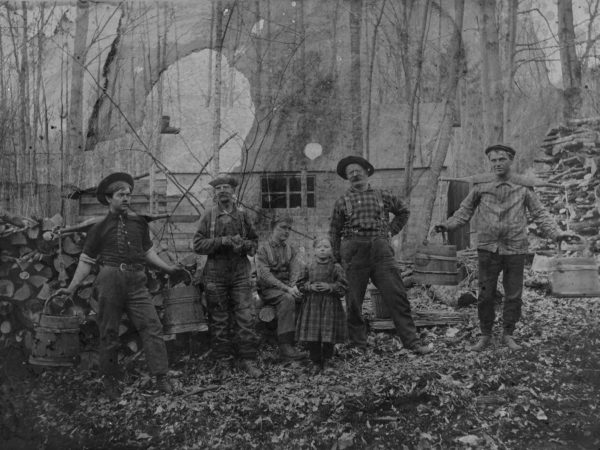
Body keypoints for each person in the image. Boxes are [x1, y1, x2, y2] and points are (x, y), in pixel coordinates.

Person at [52, 172, 181, 397]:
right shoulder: (99, 226)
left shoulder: (139, 223)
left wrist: (168, 269)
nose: (126, 198)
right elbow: (85, 261)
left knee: (152, 326)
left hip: (137, 282)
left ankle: (161, 377)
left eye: (128, 195)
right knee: (108, 331)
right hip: (109, 280)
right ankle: (110, 381)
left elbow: (148, 252)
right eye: (121, 195)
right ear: (109, 199)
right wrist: (72, 287)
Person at [434, 144, 573, 351]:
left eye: (502, 160)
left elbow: (540, 213)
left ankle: (508, 333)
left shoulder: (523, 187)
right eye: (493, 160)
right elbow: (464, 211)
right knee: (485, 295)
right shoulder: (481, 186)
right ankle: (485, 335)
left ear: (510, 161)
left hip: (515, 249)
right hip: (488, 250)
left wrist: (557, 233)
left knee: (514, 295)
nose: (497, 164)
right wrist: (447, 224)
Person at [330, 155, 431, 355]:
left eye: (358, 170)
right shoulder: (342, 201)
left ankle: (412, 342)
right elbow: (334, 231)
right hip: (353, 254)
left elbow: (403, 211)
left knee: (397, 296)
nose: (354, 174)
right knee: (353, 302)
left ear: (367, 171)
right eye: (350, 172)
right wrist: (336, 260)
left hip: (381, 253)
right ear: (347, 178)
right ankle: (359, 345)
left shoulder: (382, 195)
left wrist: (390, 231)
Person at [193, 175, 262, 378]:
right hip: (215, 273)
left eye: (226, 187)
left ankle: (247, 360)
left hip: (240, 271)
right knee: (219, 318)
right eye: (218, 188)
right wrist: (222, 241)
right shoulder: (208, 216)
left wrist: (247, 245)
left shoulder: (242, 216)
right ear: (215, 193)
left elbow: (254, 242)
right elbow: (197, 245)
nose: (222, 190)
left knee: (245, 316)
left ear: (233, 192)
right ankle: (223, 362)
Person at [255, 215, 304, 361]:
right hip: (269, 289)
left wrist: (293, 285)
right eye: (282, 228)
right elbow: (265, 276)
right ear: (273, 229)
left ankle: (306, 339)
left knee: (305, 295)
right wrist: (287, 289)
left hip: (287, 286)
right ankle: (285, 346)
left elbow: (295, 269)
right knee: (288, 299)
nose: (286, 231)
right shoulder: (263, 250)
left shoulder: (290, 249)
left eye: (289, 228)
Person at [296, 237, 348, 374]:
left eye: (326, 247)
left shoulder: (336, 267)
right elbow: (300, 283)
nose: (323, 249)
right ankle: (315, 362)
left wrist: (330, 287)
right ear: (314, 250)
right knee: (313, 335)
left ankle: (328, 361)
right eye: (319, 247)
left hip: (330, 307)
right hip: (312, 307)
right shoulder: (308, 266)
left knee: (328, 333)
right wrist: (310, 287)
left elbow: (343, 286)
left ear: (331, 250)